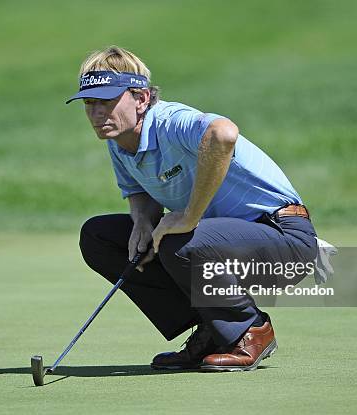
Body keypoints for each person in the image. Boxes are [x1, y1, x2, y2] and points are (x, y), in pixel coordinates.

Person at [67, 46, 318, 371]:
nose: (96, 113)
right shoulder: (120, 142)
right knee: (99, 236)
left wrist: (189, 216)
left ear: (141, 98)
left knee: (178, 240)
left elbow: (223, 134)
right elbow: (140, 191)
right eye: (89, 103)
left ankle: (250, 330)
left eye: (107, 101)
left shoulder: (171, 122)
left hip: (286, 239)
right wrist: (142, 221)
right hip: (223, 245)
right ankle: (214, 330)